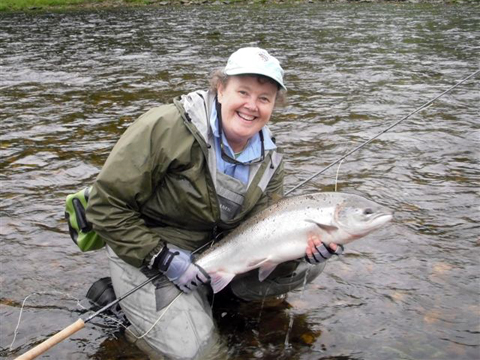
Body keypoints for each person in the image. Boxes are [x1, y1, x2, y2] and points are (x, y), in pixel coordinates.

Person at [86, 47, 343, 360]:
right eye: (243, 92)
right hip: (148, 250)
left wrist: (303, 251)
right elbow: (103, 206)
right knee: (203, 355)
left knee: (307, 264)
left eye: (264, 98)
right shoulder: (165, 128)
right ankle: (129, 313)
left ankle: (212, 295)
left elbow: (267, 238)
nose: (252, 106)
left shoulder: (271, 161)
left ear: (274, 105)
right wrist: (160, 256)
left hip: (216, 256)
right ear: (220, 89)